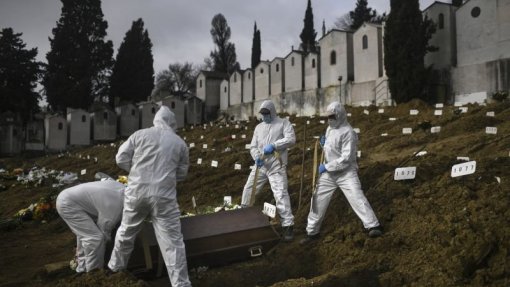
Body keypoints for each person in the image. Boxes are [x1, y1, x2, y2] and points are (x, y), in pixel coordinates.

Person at [108, 106, 191, 287]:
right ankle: (181, 284)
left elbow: (120, 158)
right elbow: (182, 174)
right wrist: (165, 178)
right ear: (172, 122)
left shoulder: (139, 135)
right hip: (163, 197)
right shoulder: (179, 143)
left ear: (156, 119)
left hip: (137, 192)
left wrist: (137, 171)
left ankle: (115, 271)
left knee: (127, 231)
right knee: (172, 243)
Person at [301, 101, 382, 244]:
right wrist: (323, 144)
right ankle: (312, 232)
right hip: (328, 174)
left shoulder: (348, 133)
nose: (330, 119)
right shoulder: (330, 129)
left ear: (340, 115)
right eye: (328, 117)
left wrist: (327, 167)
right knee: (317, 199)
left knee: (357, 196)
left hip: (345, 173)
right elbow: (330, 148)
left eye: (332, 116)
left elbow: (346, 158)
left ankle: (373, 225)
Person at [241, 100, 296, 241]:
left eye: (266, 114)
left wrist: (274, 145)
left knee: (280, 194)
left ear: (272, 112)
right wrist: (256, 157)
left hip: (276, 166)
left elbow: (291, 139)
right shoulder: (259, 128)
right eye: (262, 114)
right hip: (260, 166)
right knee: (248, 189)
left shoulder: (283, 123)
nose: (264, 116)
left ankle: (288, 226)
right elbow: (253, 146)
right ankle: (242, 218)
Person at [56, 179, 125, 273]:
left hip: (69, 198)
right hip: (68, 204)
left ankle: (82, 268)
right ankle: (94, 273)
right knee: (95, 238)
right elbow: (104, 231)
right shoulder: (116, 205)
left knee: (86, 235)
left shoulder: (120, 188)